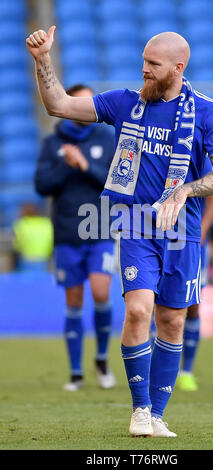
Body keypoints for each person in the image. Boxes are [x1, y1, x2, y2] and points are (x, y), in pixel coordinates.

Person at [26, 27, 213, 437]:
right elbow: (58, 105)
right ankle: (140, 411)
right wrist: (43, 60)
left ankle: (157, 414)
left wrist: (186, 190)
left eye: (153, 65)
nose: (144, 69)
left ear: (177, 68)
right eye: (143, 60)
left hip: (182, 231)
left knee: (172, 322)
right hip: (136, 224)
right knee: (139, 310)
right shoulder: (124, 102)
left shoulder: (207, 111)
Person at [35, 84, 116, 391]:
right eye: (79, 102)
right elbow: (42, 185)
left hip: (99, 227)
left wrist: (85, 165)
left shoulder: (107, 138)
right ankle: (76, 372)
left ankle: (101, 357)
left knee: (100, 291)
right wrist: (65, 166)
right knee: (73, 300)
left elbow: (116, 181)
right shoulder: (53, 142)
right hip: (67, 231)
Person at [177, 159, 213, 392]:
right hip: (160, 237)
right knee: (156, 303)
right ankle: (157, 368)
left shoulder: (197, 158)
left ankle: (187, 371)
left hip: (191, 241)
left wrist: (201, 232)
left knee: (192, 304)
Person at [13, 202, 53, 272]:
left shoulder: (21, 224)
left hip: (26, 259)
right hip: (44, 259)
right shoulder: (47, 223)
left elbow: (17, 244)